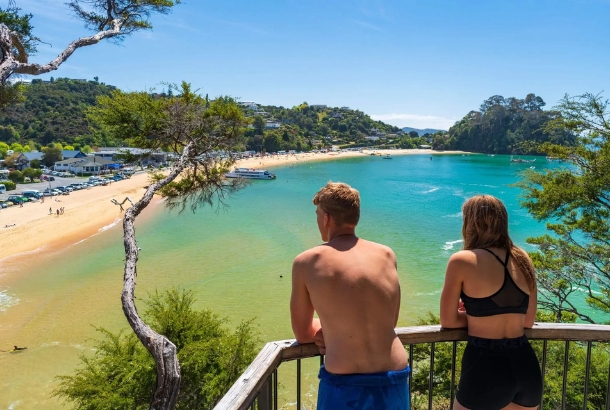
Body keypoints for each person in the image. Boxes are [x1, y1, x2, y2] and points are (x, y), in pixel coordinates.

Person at [291, 182, 409, 410]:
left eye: (317, 214)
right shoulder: (386, 254)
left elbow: (304, 333)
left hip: (345, 381)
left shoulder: (307, 261)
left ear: (326, 218)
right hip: (395, 374)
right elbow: (388, 321)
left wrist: (335, 326)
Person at [440, 195, 541, 410]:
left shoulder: (463, 260)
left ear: (470, 223)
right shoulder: (523, 258)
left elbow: (448, 320)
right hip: (525, 365)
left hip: (485, 365)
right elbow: (528, 321)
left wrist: (474, 314)